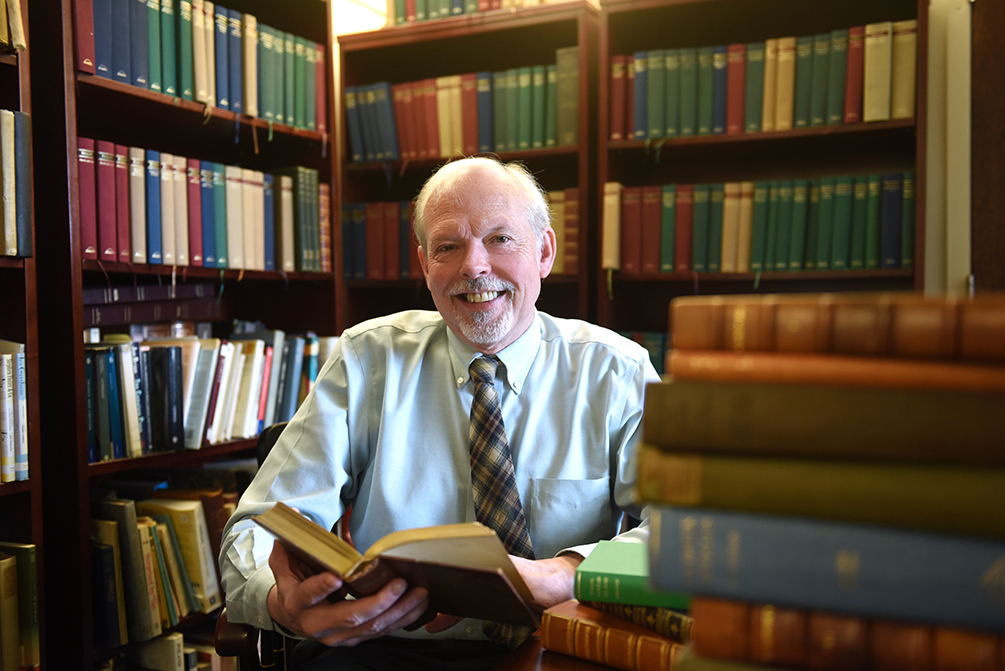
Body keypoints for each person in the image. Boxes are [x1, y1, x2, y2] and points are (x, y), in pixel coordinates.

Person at [219, 156, 660, 670]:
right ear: (426, 263)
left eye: (499, 239)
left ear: (544, 252)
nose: (474, 266)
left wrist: (564, 575)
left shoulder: (616, 369)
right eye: (448, 246)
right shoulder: (367, 359)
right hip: (388, 650)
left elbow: (687, 528)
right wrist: (280, 603)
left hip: (562, 646)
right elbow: (257, 526)